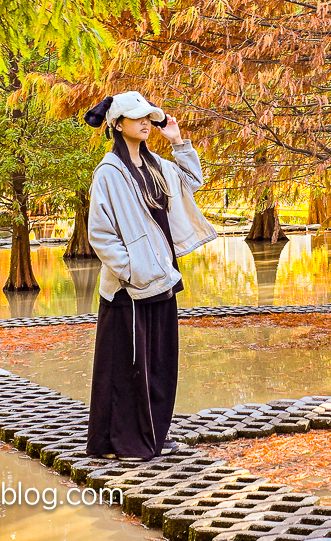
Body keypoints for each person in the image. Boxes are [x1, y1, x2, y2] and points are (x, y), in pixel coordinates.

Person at [82, 91, 217, 460]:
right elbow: (100, 234)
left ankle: (155, 436)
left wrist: (178, 141)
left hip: (162, 276)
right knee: (125, 366)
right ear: (117, 124)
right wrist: (131, 271)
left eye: (149, 117)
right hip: (128, 288)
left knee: (160, 362)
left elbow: (192, 181)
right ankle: (120, 443)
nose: (146, 122)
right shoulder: (108, 172)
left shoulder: (157, 163)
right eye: (137, 117)